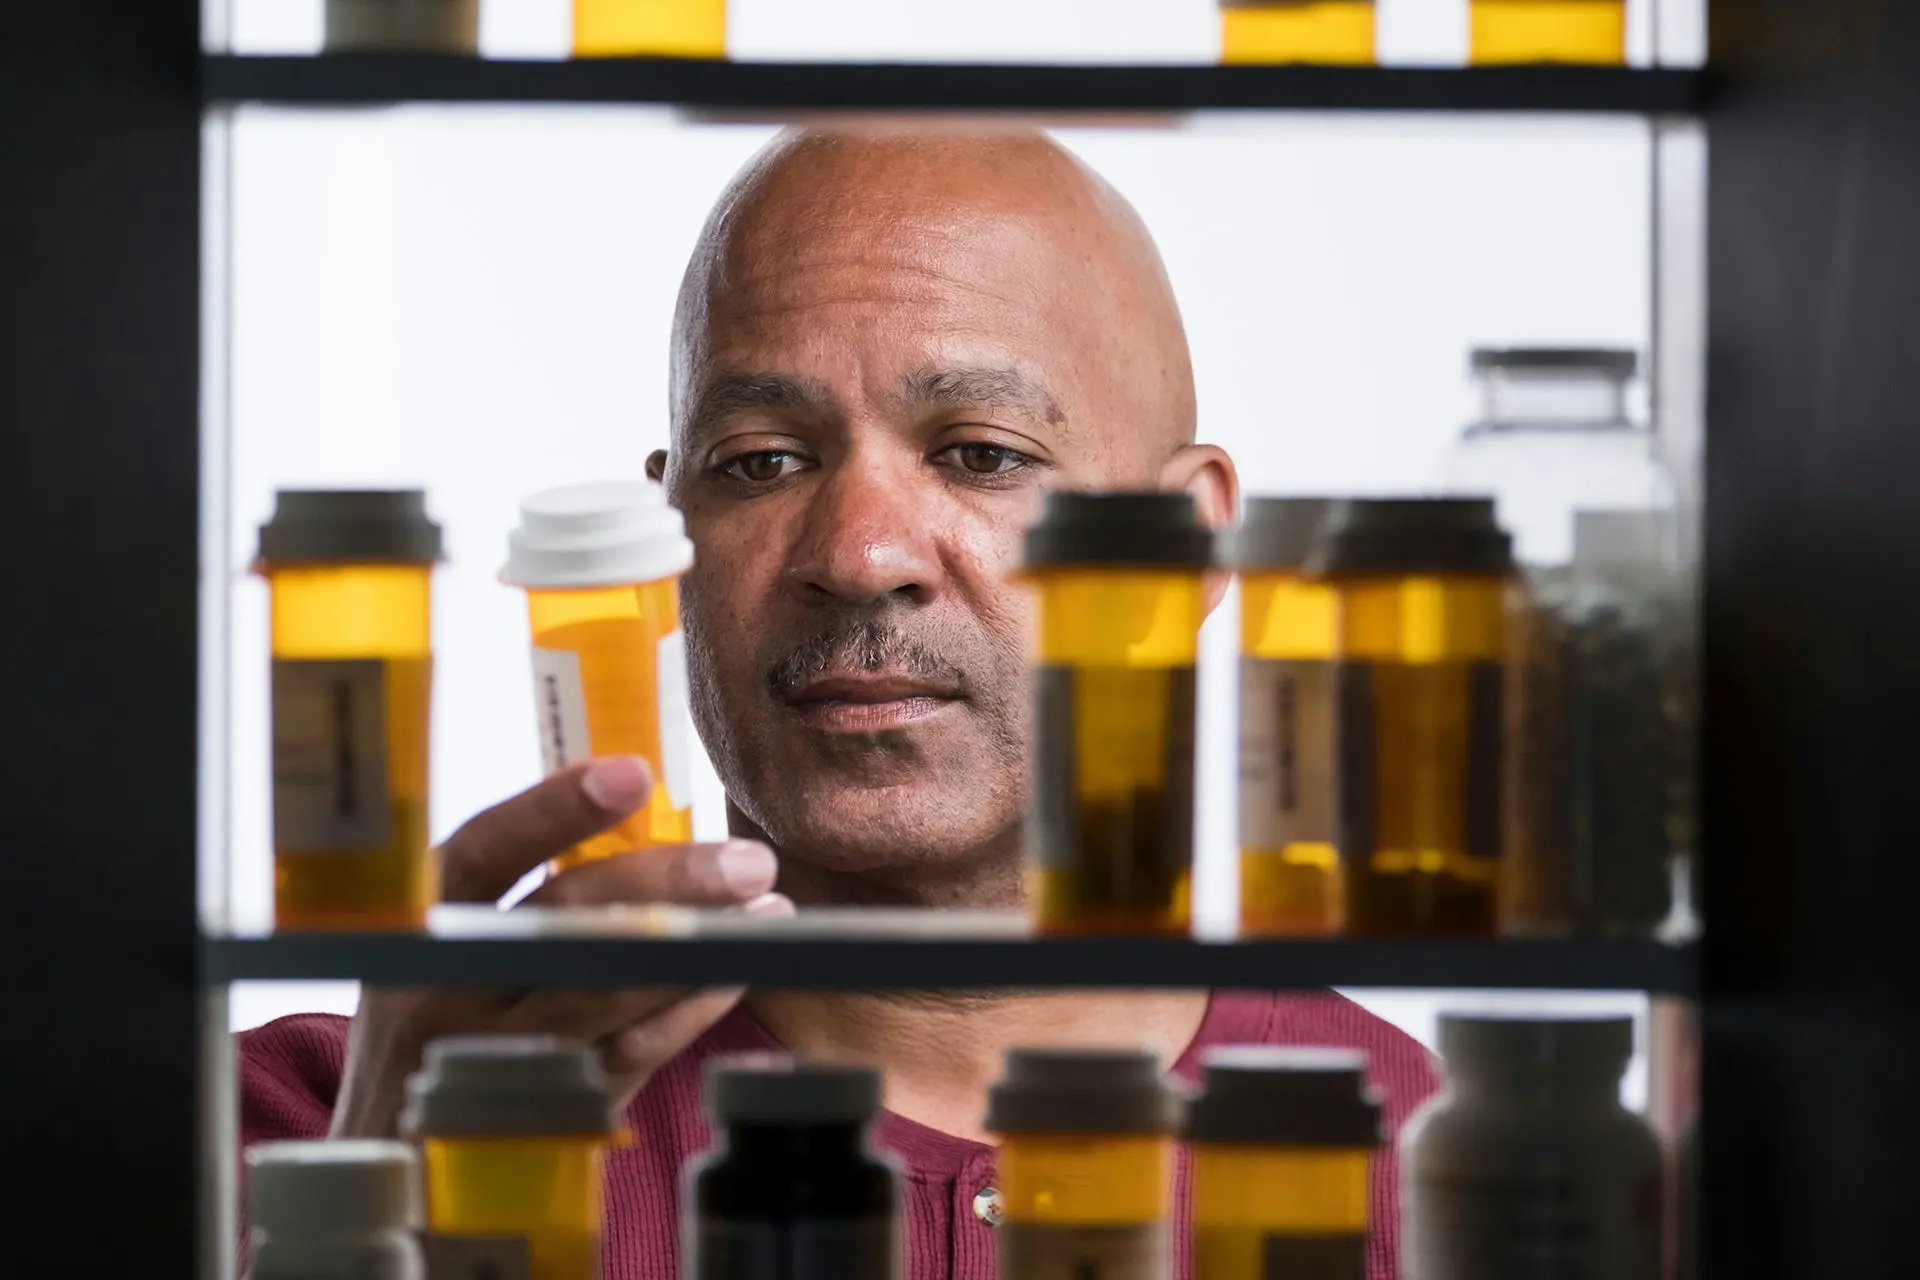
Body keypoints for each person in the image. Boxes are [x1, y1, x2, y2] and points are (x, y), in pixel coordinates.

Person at [241, 127, 1437, 1280]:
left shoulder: (1440, 1180)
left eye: (981, 451)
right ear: (662, 549)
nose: (861, 554)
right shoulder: (298, 1132)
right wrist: (364, 1210)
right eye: (762, 460)